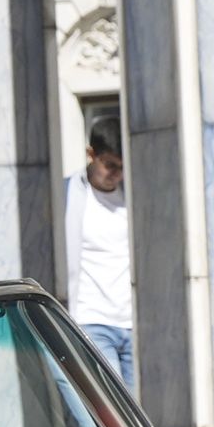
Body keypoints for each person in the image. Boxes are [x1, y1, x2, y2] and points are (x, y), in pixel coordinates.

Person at [63, 121, 134, 383]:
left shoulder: (134, 197)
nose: (116, 173)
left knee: (138, 416)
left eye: (122, 167)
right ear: (90, 154)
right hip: (91, 318)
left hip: (132, 322)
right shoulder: (66, 195)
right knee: (109, 410)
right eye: (110, 165)